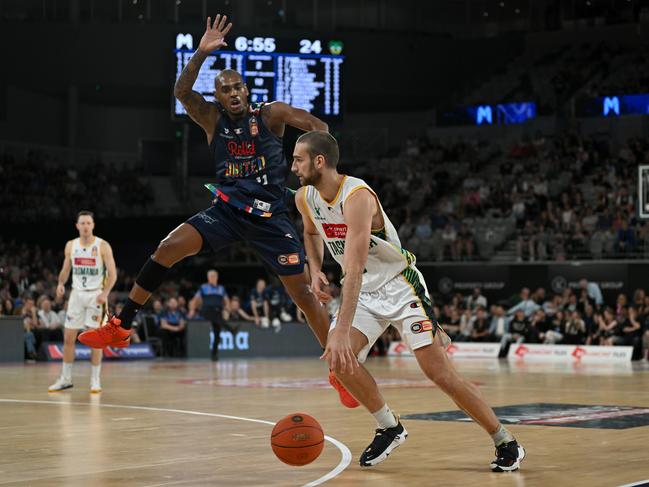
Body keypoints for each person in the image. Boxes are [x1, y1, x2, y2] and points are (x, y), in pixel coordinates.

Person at [78, 14, 356, 408]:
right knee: (167, 247)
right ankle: (121, 325)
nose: (235, 94)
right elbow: (181, 91)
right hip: (226, 212)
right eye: (226, 90)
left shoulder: (270, 114)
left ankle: (340, 372)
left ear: (247, 89)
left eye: (239, 87)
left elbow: (316, 124)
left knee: (305, 297)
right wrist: (201, 53)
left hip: (270, 219)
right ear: (219, 96)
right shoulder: (211, 119)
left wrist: (318, 162)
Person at [292, 131, 525, 472]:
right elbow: (311, 233)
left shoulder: (356, 197)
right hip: (365, 291)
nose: (293, 166)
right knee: (339, 362)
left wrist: (340, 329)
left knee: (438, 372)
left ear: (319, 161)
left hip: (399, 286)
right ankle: (390, 426)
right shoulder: (305, 198)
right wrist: (315, 270)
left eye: (298, 159)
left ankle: (506, 441)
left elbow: (354, 269)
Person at [49, 211, 117, 393]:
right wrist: (61, 283)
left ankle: (95, 380)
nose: (85, 226)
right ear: (77, 225)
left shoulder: (102, 245)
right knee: (68, 337)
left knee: (95, 339)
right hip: (77, 295)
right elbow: (65, 268)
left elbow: (113, 273)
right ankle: (65, 378)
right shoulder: (71, 245)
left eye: (88, 223)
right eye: (82, 223)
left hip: (96, 296)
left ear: (93, 225)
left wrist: (106, 293)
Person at [188, 269, 230, 360]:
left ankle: (214, 354)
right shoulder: (204, 287)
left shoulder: (221, 288)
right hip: (207, 310)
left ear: (217, 277)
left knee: (217, 335)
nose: (212, 278)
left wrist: (227, 309)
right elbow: (195, 299)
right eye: (210, 276)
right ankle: (230, 329)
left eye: (214, 276)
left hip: (218, 312)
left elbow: (227, 301)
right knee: (216, 318)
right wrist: (192, 310)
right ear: (208, 278)